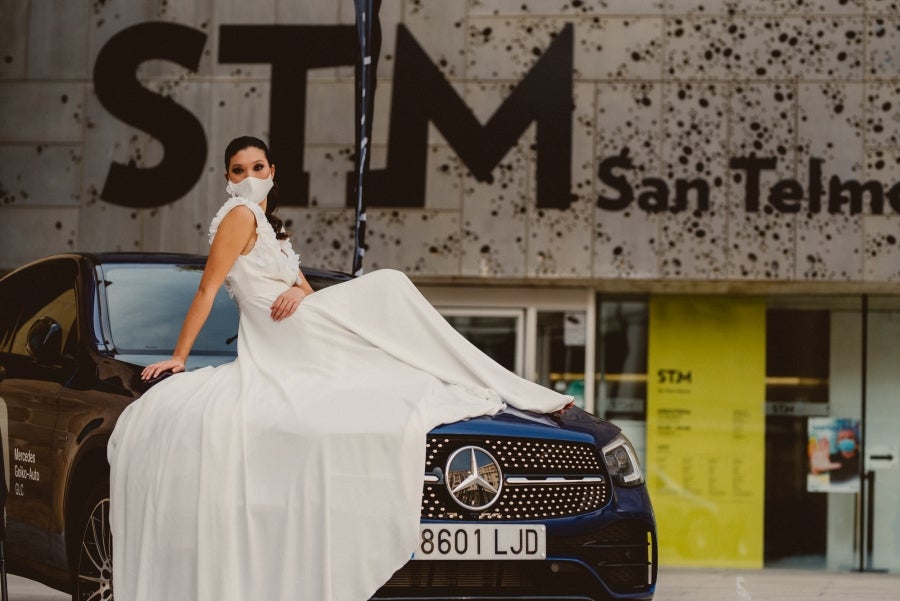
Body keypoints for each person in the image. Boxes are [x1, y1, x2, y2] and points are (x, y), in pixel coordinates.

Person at [108, 136, 571, 601]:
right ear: (227, 179)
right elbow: (208, 289)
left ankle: (499, 383)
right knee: (390, 286)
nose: (249, 177)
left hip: (301, 323)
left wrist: (297, 291)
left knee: (398, 333)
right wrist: (180, 356)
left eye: (257, 167)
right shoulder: (238, 215)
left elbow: (309, 293)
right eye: (238, 170)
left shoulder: (272, 229)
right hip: (277, 338)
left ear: (273, 171)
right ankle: (504, 385)